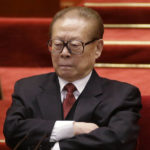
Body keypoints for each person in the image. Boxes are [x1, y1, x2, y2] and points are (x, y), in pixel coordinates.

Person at [3, 7, 142, 150]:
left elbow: (119, 140)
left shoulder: (121, 95)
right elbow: (13, 131)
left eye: (74, 45)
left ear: (98, 48)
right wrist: (72, 128)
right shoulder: (27, 88)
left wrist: (57, 147)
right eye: (57, 44)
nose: (64, 53)